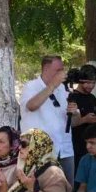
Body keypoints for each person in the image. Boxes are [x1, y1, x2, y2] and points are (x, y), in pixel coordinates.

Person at [20, 55, 75, 185]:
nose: (62, 73)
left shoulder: (63, 89)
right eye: (58, 70)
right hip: (41, 152)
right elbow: (31, 106)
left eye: (63, 69)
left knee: (67, 191)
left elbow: (73, 122)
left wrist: (74, 113)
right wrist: (52, 86)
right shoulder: (31, 86)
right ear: (45, 69)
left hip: (65, 149)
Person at [67, 64, 96, 170]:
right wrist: (85, 119)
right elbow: (67, 124)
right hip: (76, 147)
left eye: (93, 83)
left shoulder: (92, 98)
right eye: (88, 82)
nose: (91, 86)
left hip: (93, 148)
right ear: (80, 81)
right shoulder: (72, 97)